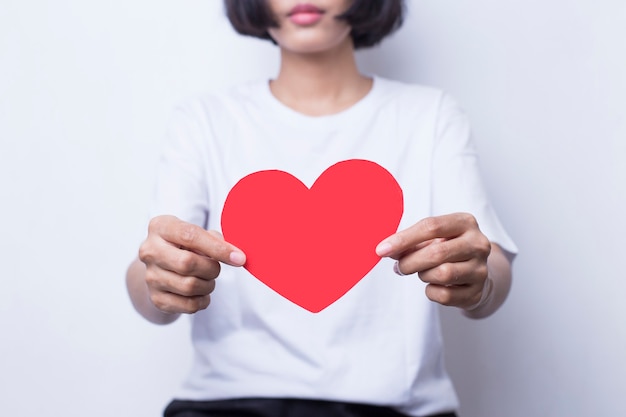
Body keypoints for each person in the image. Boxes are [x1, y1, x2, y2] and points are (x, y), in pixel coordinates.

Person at [126, 1, 517, 416]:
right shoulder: (203, 120)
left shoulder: (430, 116)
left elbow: (490, 263)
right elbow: (149, 269)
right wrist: (161, 284)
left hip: (393, 407)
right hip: (225, 404)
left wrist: (480, 284)